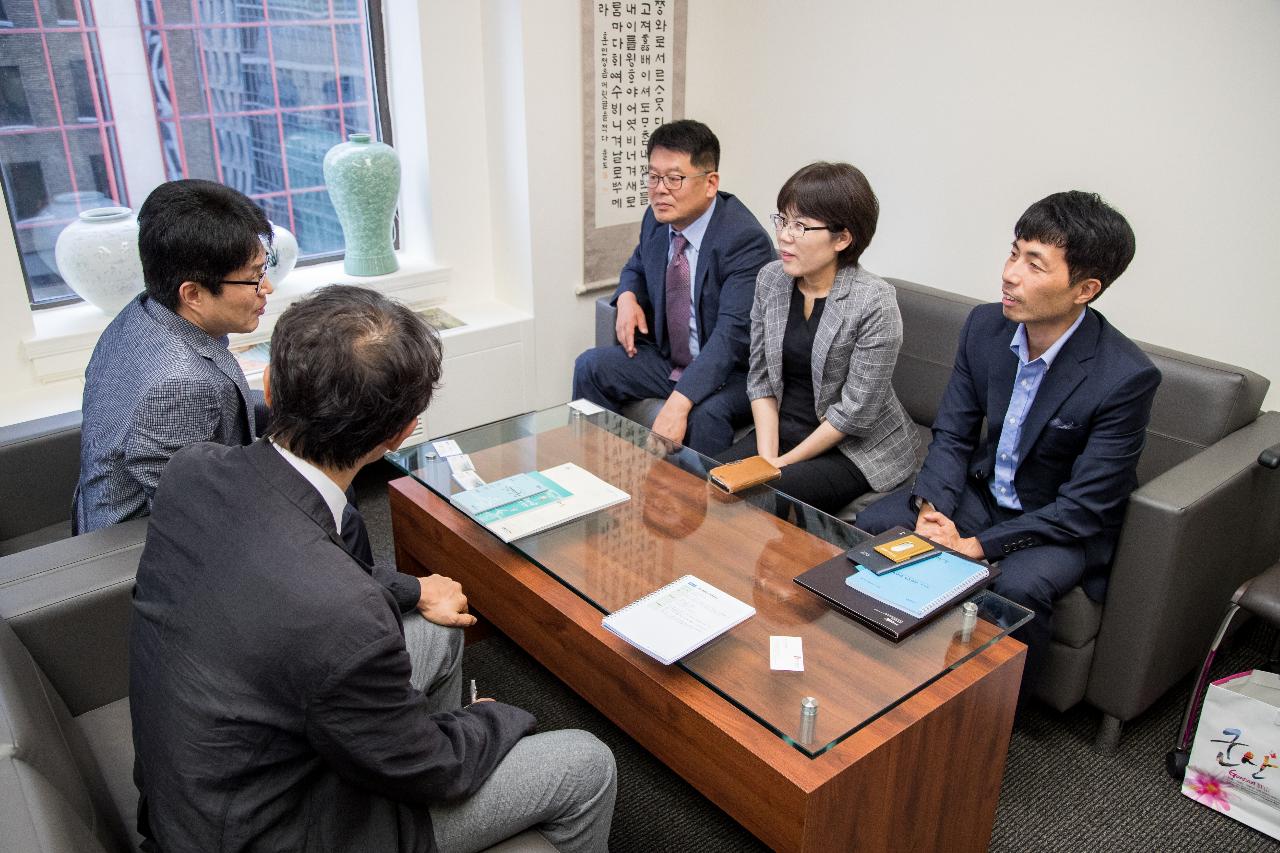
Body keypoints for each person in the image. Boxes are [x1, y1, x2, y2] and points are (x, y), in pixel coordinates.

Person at [130, 285, 617, 853]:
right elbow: (425, 753)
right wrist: (488, 719)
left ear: (269, 384)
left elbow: (293, 569)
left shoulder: (193, 472)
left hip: (202, 786)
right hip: (278, 830)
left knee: (437, 629)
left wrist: (414, 593)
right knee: (587, 763)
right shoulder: (343, 615)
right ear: (401, 433)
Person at [856, 191, 1161, 691]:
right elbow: (952, 433)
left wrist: (975, 545)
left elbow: (1084, 508)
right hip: (982, 494)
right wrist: (933, 509)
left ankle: (1001, 710)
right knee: (881, 523)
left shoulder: (1124, 377)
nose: (1011, 273)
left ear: (1085, 288)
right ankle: (890, 667)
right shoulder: (984, 327)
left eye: (1035, 264)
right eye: (1014, 252)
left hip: (1055, 522)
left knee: (1017, 587)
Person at [74, 179, 275, 533]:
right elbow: (195, 510)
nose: (267, 289)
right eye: (254, 278)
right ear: (193, 293)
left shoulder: (144, 311)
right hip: (141, 547)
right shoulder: (181, 385)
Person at [716, 162, 918, 515]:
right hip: (784, 429)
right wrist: (766, 456)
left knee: (768, 498)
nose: (784, 236)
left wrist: (781, 466)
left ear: (842, 238)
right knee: (709, 481)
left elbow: (855, 413)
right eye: (782, 220)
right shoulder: (771, 280)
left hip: (853, 446)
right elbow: (760, 377)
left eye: (801, 226)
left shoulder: (874, 301)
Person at [572, 119, 775, 455]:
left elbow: (732, 337)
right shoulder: (657, 218)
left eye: (674, 178)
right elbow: (636, 264)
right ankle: (593, 473)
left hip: (732, 371)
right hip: (671, 360)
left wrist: (679, 404)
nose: (660, 189)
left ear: (710, 183)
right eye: (653, 176)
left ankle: (693, 506)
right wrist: (626, 295)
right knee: (590, 366)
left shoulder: (743, 240)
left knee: (706, 416)